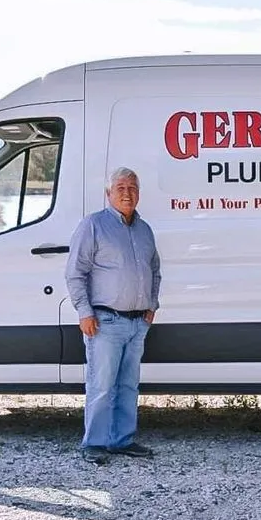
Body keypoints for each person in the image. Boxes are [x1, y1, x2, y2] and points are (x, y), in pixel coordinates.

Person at [65, 166, 161, 465]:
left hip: (137, 323)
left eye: (132, 188)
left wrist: (151, 305)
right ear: (108, 193)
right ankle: (94, 443)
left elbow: (155, 270)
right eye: (120, 188)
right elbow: (75, 273)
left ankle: (122, 440)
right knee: (102, 385)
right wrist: (84, 312)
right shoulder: (93, 225)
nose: (127, 193)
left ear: (139, 193)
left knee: (128, 386)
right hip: (105, 322)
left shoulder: (145, 230)